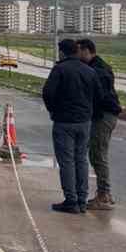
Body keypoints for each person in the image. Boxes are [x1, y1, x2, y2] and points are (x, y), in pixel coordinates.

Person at [42, 38, 101, 214]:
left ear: (62, 52)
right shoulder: (90, 71)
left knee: (67, 161)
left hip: (64, 122)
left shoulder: (60, 69)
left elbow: (48, 93)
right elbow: (99, 95)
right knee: (81, 160)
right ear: (76, 51)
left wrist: (54, 111)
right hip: (84, 122)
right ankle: (82, 200)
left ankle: (71, 200)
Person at [76, 37, 120, 210]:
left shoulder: (98, 70)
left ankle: (104, 195)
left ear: (86, 51)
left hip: (104, 116)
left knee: (98, 154)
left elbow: (98, 96)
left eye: (78, 51)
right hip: (101, 115)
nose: (76, 55)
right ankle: (104, 193)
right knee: (96, 154)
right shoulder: (94, 67)